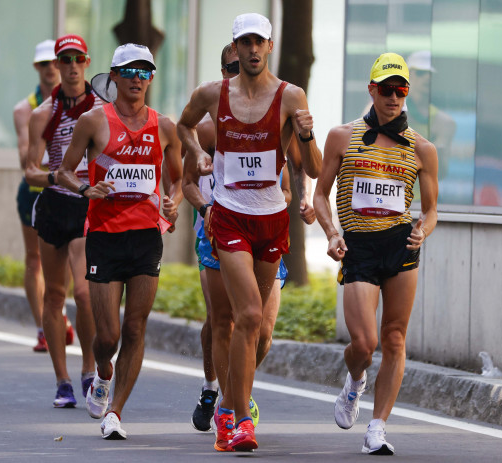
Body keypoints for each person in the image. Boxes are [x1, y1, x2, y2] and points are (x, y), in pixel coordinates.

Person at [178, 13, 321, 452]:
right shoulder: (212, 95)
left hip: (272, 220)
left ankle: (228, 401)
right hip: (229, 216)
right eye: (246, 42)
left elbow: (311, 167)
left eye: (260, 42)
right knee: (248, 316)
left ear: (270, 46)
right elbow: (183, 126)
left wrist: (308, 137)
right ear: (235, 48)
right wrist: (200, 154)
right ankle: (239, 419)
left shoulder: (290, 96)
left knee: (258, 331)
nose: (253, 50)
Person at [313, 52, 438, 455]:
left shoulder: (422, 147)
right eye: (386, 90)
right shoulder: (341, 136)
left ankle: (378, 428)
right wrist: (332, 233)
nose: (394, 98)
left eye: (401, 90)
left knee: (395, 339)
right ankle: (354, 382)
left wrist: (423, 229)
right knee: (364, 344)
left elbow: (433, 210)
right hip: (359, 246)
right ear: (372, 91)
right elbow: (319, 194)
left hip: (400, 244)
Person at [57, 43, 183, 440]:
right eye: (129, 71)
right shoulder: (94, 121)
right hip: (105, 237)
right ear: (113, 76)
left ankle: (116, 412)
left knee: (135, 328)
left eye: (145, 72)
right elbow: (63, 171)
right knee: (107, 335)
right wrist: (84, 189)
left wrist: (173, 201)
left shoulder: (164, 126)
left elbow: (178, 179)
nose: (137, 79)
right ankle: (102, 373)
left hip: (147, 236)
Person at [25, 34, 99, 408]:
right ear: (55, 64)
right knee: (54, 294)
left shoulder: (101, 108)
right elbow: (30, 172)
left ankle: (88, 370)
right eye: (63, 60)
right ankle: (62, 380)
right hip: (55, 205)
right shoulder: (43, 115)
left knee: (84, 293)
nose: (70, 67)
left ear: (86, 62)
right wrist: (56, 177)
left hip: (87, 206)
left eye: (77, 59)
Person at [12, 39, 77, 353]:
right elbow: (27, 157)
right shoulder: (26, 109)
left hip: (68, 192)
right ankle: (42, 326)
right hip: (36, 191)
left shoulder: (84, 103)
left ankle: (58, 313)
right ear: (37, 68)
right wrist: (66, 162)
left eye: (57, 62)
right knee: (34, 260)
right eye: (45, 64)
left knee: (65, 264)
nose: (52, 68)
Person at [404, 50, 455, 180]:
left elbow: (441, 173)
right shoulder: (388, 111)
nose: (427, 77)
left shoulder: (444, 123)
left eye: (430, 73)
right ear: (408, 75)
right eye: (420, 73)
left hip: (422, 197)